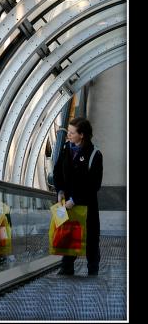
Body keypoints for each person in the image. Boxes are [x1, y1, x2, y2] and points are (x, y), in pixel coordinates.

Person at [53, 117, 103, 276]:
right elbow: (58, 171)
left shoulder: (95, 154)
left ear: (81, 135)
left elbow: (94, 184)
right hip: (66, 201)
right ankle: (66, 267)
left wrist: (74, 200)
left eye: (72, 132)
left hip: (86, 204)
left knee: (90, 237)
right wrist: (60, 190)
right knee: (68, 233)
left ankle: (93, 269)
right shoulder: (66, 148)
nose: (68, 134)